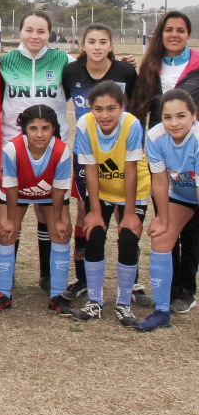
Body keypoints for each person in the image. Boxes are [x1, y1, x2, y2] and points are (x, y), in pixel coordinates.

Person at [61, 23, 139, 303]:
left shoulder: (126, 71)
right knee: (85, 212)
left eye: (103, 41)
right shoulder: (71, 71)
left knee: (123, 213)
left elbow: (136, 107)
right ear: (83, 46)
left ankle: (133, 278)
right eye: (91, 41)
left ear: (111, 45)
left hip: (119, 152)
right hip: (86, 151)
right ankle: (82, 278)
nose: (96, 46)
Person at [0, 10, 73, 292]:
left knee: (47, 212)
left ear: (50, 34)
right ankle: (8, 274)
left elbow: (94, 68)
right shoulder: (5, 61)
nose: (35, 36)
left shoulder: (63, 60)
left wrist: (119, 62)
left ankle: (48, 274)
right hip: (14, 148)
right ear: (20, 32)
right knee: (13, 210)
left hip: (52, 148)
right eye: (29, 30)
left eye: (41, 31)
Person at [131, 10, 199, 314]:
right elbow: (137, 109)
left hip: (192, 155)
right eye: (169, 29)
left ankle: (187, 288)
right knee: (165, 221)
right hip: (161, 156)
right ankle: (170, 288)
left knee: (193, 230)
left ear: (188, 34)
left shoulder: (198, 66)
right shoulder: (150, 66)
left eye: (180, 30)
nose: (174, 35)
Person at [70, 81, 150, 325]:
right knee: (93, 233)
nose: (104, 115)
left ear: (122, 107)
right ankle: (95, 301)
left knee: (128, 237)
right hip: (102, 189)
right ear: (91, 109)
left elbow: (131, 169)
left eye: (111, 108)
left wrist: (128, 213)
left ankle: (124, 304)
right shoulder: (85, 124)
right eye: (98, 108)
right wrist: (94, 211)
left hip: (133, 189)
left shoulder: (132, 124)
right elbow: (90, 169)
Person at [0, 105, 74, 315]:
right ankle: (3, 294)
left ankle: (57, 295)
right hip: (16, 192)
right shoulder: (11, 149)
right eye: (33, 128)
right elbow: (11, 187)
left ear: (53, 128)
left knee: (61, 233)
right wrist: (9, 220)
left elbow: (57, 190)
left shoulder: (62, 151)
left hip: (49, 193)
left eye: (45, 128)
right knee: (6, 233)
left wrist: (58, 220)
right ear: (24, 129)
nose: (39, 134)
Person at [138, 90, 199, 330]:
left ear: (194, 116)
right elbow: (161, 181)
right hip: (182, 195)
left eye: (181, 116)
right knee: (161, 238)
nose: (174, 123)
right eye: (167, 117)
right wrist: (163, 219)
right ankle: (162, 311)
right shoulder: (155, 136)